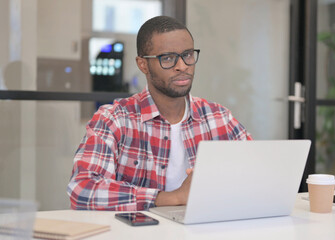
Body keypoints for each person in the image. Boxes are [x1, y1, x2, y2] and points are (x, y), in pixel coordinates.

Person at [67, 16, 252, 211]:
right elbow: (82, 190)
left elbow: (258, 173)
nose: (182, 66)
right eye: (168, 58)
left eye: (187, 55)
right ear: (143, 64)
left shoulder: (219, 118)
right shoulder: (114, 119)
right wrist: (169, 198)